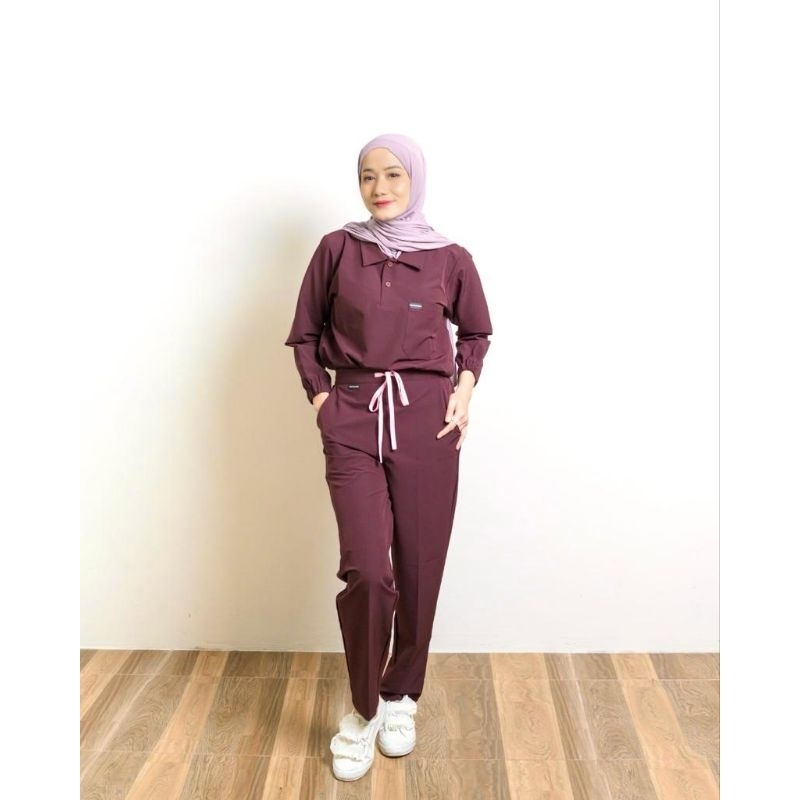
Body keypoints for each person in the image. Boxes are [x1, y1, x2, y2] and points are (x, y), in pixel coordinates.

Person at [284, 133, 493, 781]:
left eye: (394, 175)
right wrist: (323, 399)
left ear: (415, 179)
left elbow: (477, 331)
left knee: (421, 566)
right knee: (369, 570)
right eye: (369, 175)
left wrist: (463, 390)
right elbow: (304, 336)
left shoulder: (451, 257)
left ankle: (401, 695)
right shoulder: (336, 249)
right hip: (352, 416)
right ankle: (363, 708)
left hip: (428, 421)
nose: (380, 188)